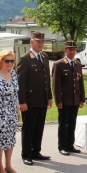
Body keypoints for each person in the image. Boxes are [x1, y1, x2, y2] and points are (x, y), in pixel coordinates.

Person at [17, 31, 53, 166]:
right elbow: (21, 82)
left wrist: (49, 97)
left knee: (39, 127)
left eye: (42, 42)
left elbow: (46, 80)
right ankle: (26, 154)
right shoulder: (25, 58)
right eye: (38, 41)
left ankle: (36, 151)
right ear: (32, 42)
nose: (41, 44)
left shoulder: (44, 57)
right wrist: (22, 101)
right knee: (29, 128)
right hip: (30, 101)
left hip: (42, 99)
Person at [52, 40, 85, 156]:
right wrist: (58, 100)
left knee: (72, 123)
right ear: (65, 50)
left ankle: (70, 144)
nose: (72, 51)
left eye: (74, 49)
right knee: (64, 123)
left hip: (75, 99)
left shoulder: (77, 64)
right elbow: (56, 85)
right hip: (64, 100)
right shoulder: (59, 64)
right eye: (70, 49)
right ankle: (62, 145)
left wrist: (82, 99)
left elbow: (80, 83)